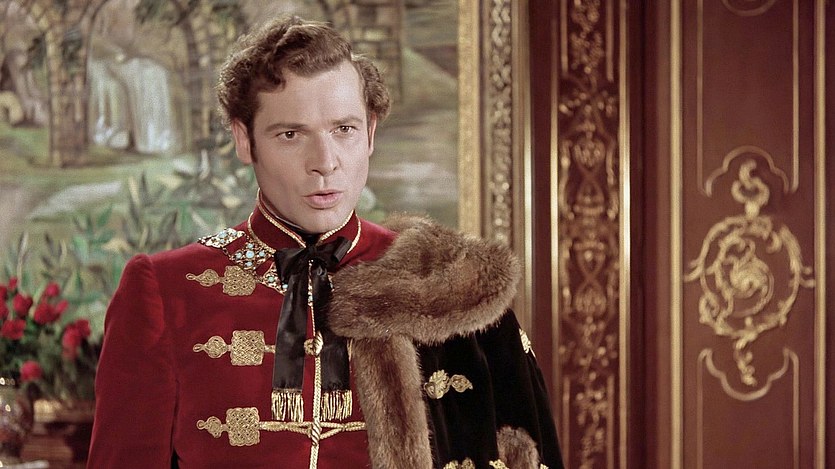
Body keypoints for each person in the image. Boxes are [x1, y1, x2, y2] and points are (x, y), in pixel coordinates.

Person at [88, 14, 563, 469]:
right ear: (244, 139)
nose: (325, 161)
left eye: (344, 130)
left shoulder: (449, 285)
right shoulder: (165, 290)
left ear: (370, 133)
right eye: (291, 134)